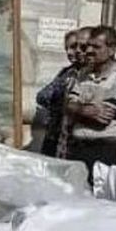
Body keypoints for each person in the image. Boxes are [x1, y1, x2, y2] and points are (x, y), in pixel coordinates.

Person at [59, 25, 116, 179]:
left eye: (96, 46)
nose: (89, 51)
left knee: (100, 199)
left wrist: (77, 110)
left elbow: (104, 117)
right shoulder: (83, 74)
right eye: (88, 46)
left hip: (105, 150)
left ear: (112, 49)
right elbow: (68, 105)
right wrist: (85, 110)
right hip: (78, 149)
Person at [34, 27, 88, 156]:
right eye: (67, 48)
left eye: (75, 47)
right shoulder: (66, 72)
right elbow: (42, 96)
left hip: (75, 139)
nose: (71, 52)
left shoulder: (87, 75)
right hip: (55, 133)